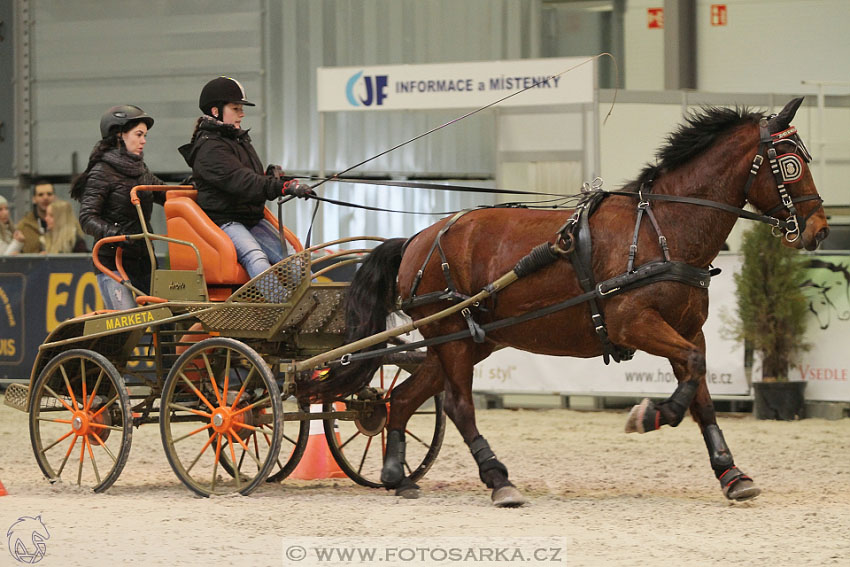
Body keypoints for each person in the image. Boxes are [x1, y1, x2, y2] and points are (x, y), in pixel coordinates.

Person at [178, 76, 312, 279]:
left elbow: (251, 177)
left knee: (293, 260)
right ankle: (278, 308)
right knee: (256, 258)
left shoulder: (238, 140)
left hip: (250, 218)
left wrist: (272, 179)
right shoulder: (210, 149)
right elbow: (241, 181)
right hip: (226, 220)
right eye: (236, 108)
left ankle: (319, 304)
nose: (242, 114)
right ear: (215, 111)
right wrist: (281, 187)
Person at [71, 105, 165, 310]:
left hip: (144, 260)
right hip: (113, 262)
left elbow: (164, 193)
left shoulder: (141, 170)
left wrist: (192, 187)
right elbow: (87, 217)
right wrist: (118, 235)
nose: (144, 141)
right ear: (120, 135)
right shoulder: (101, 171)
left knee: (166, 322)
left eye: (145, 135)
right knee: (127, 325)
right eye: (139, 134)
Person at [13, 181, 55, 253]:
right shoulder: (24, 226)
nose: (45, 197)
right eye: (40, 195)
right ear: (34, 199)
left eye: (49, 194)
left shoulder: (65, 223)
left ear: (54, 197)